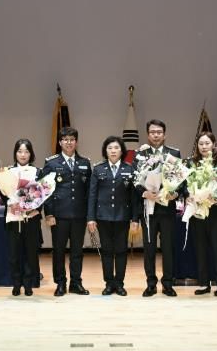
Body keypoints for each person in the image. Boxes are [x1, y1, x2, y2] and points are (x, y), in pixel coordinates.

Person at [133, 119, 184, 297]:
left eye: (159, 132)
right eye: (153, 132)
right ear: (148, 135)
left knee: (168, 248)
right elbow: (134, 180)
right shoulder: (140, 154)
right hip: (148, 209)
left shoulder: (174, 153)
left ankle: (168, 283)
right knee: (149, 249)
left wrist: (175, 193)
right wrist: (144, 193)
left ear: (164, 134)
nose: (156, 135)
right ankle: (151, 284)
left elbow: (181, 180)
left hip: (167, 208)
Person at [41, 126, 92, 296]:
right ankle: (60, 283)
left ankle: (76, 283)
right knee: (59, 251)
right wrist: (49, 213)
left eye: (72, 140)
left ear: (76, 142)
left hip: (79, 215)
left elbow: (89, 192)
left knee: (77, 251)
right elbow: (45, 190)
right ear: (60, 142)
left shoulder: (85, 163)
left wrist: (89, 215)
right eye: (65, 140)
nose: (69, 143)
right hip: (59, 215)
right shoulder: (51, 163)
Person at [87, 136, 137, 296]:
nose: (113, 151)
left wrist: (135, 219)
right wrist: (90, 218)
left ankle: (119, 284)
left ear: (122, 151)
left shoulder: (129, 169)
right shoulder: (98, 169)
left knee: (121, 251)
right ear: (105, 151)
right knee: (107, 251)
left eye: (116, 148)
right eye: (110, 148)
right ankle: (109, 283)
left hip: (123, 216)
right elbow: (92, 195)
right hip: (103, 217)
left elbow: (134, 197)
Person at [186, 131, 217, 297]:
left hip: (215, 212)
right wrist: (188, 195)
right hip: (197, 211)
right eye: (201, 144)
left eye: (207, 143)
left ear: (213, 144)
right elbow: (184, 186)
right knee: (200, 248)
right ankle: (204, 283)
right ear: (197, 146)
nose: (204, 147)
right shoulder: (191, 163)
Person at [5, 139, 42, 296]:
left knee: (30, 252)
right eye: (20, 151)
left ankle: (28, 284)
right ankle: (16, 283)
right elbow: (3, 194)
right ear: (15, 153)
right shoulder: (8, 172)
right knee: (14, 254)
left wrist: (34, 207)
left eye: (26, 151)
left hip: (31, 218)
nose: (23, 155)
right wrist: (11, 203)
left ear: (31, 154)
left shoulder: (37, 171)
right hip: (13, 218)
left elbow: (43, 194)